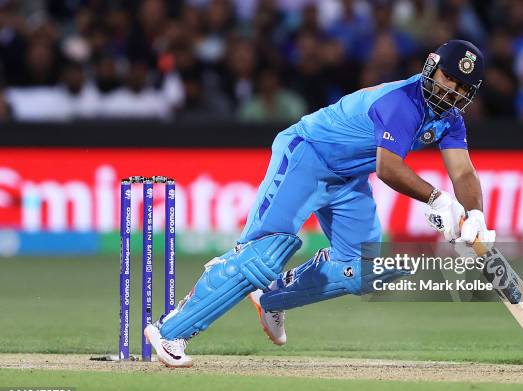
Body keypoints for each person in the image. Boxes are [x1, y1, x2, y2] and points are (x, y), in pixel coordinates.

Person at [144, 39, 496, 368]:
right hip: (308, 156)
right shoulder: (403, 101)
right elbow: (388, 168)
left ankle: (272, 297)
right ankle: (169, 331)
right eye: (449, 78)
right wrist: (436, 199)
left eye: (463, 87)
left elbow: (463, 172)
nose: (452, 90)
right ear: (431, 68)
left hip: (347, 180)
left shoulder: (450, 120)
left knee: (362, 269)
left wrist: (476, 214)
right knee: (265, 253)